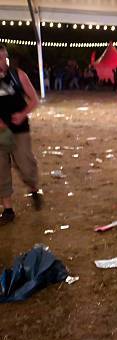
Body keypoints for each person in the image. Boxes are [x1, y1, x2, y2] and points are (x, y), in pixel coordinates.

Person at [0, 44, 43, 225]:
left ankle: (34, 189)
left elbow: (34, 100)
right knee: (1, 171)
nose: (2, 62)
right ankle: (8, 210)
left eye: (3, 58)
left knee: (26, 166)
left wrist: (22, 114)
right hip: (0, 133)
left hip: (19, 130)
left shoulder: (18, 75)